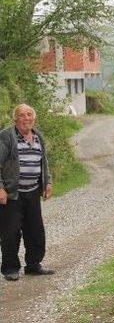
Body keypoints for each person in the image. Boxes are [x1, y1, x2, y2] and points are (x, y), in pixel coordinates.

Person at [0, 104, 54, 281]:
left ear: (34, 118)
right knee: (11, 232)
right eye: (21, 115)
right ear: (15, 119)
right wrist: (1, 188)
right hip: (11, 194)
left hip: (32, 192)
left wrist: (47, 182)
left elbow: (43, 161)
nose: (26, 118)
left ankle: (33, 265)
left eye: (29, 114)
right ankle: (10, 268)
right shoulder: (6, 136)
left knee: (35, 231)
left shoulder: (38, 136)